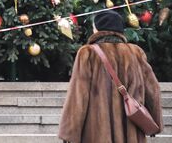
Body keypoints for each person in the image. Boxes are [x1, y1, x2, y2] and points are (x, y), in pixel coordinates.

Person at [58, 9, 163, 143]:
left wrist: (70, 133)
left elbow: (78, 96)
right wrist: (154, 123)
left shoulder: (87, 53)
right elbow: (152, 90)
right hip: (131, 130)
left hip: (97, 132)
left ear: (98, 29)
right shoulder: (136, 53)